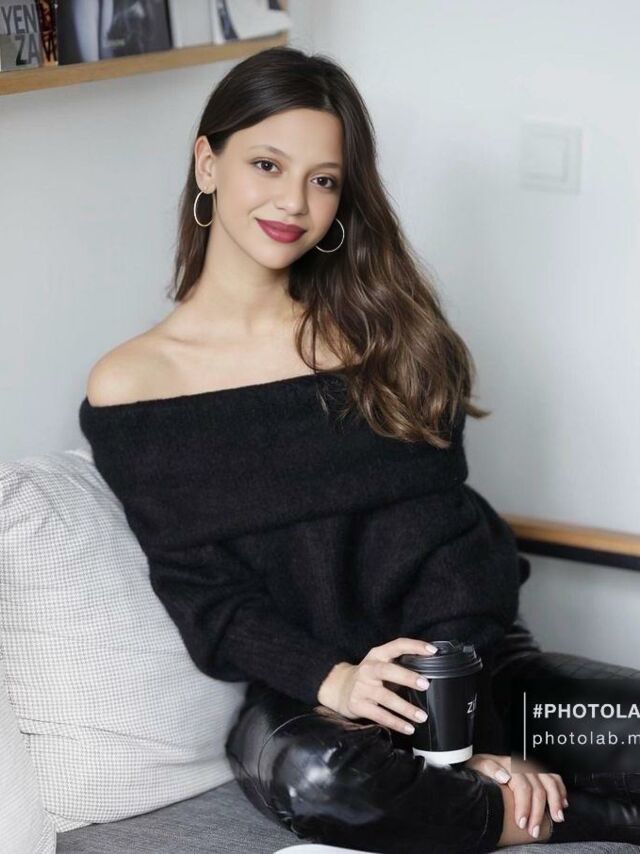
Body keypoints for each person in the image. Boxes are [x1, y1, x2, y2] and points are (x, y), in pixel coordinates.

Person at [78, 46, 640, 853]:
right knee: (319, 779)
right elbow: (205, 597)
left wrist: (458, 736)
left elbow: (453, 547)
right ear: (207, 163)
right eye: (267, 165)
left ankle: (484, 800)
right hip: (317, 698)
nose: (293, 201)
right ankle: (587, 822)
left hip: (472, 669)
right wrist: (337, 681)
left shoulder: (388, 335)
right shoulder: (135, 385)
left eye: (324, 179)